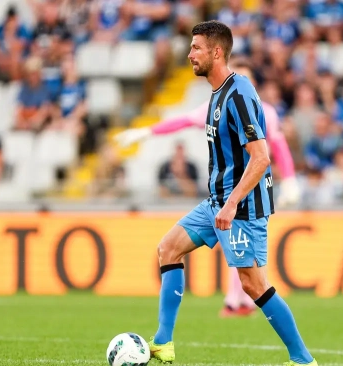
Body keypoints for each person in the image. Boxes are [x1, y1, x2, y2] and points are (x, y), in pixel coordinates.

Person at [117, 21, 320, 366]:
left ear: (216, 52)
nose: (189, 54)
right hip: (217, 201)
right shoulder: (217, 93)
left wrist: (231, 203)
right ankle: (163, 342)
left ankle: (304, 361)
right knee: (168, 249)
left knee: (253, 284)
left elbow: (261, 157)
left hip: (241, 207)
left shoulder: (239, 94)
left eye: (196, 47)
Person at [115, 61, 300, 319]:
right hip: (225, 192)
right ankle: (237, 302)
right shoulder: (217, 103)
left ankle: (240, 303)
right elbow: (183, 121)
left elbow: (276, 146)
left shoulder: (265, 111)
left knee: (247, 260)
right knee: (237, 253)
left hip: (252, 191)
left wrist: (290, 180)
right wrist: (148, 132)